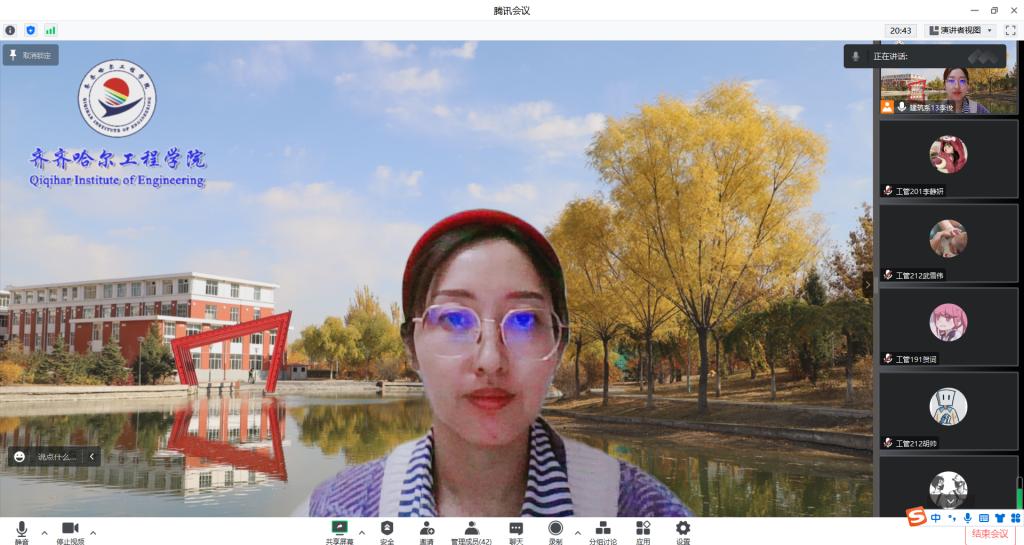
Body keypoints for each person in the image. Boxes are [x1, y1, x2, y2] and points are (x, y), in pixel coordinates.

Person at [309, 209, 691, 517]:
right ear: (411, 347)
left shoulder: (647, 513)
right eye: (454, 319)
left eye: (524, 321)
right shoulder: (336, 512)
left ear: (559, 345)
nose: (490, 360)